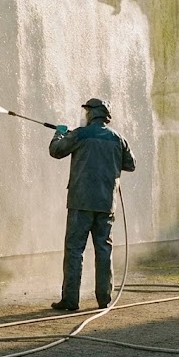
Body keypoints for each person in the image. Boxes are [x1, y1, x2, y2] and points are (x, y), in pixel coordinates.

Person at [48, 98, 136, 311]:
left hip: (81, 202)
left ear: (92, 114)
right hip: (106, 203)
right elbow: (131, 165)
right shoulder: (118, 138)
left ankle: (70, 300)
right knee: (104, 249)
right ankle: (104, 299)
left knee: (75, 249)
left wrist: (60, 133)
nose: (84, 115)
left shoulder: (79, 134)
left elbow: (56, 150)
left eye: (86, 111)